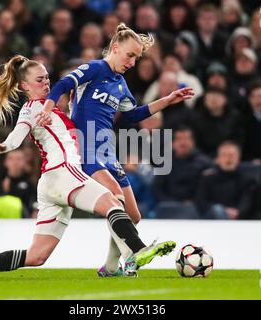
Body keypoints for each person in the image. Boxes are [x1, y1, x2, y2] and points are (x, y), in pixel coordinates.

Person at [0, 55, 175, 279]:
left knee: (36, 256)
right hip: (63, 172)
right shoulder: (33, 107)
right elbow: (19, 131)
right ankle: (138, 251)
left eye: (47, 78)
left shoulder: (54, 111)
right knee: (113, 202)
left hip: (51, 184)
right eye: (39, 79)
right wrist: (5, 146)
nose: (46, 82)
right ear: (24, 85)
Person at [35, 23, 193, 276]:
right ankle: (135, 254)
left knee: (133, 215)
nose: (132, 62)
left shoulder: (121, 85)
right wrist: (46, 109)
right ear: (115, 47)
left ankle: (110, 267)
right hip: (84, 147)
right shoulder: (96, 68)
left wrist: (167, 100)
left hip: (107, 151)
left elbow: (132, 116)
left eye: (136, 58)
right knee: (115, 196)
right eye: (130, 55)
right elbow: (63, 84)